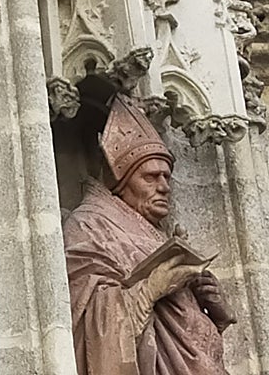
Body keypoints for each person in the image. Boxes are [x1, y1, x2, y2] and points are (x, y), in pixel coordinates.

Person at [62, 97, 234, 375]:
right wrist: (152, 288)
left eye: (166, 177)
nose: (164, 186)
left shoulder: (157, 235)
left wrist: (215, 311)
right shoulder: (89, 226)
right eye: (151, 177)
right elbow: (85, 319)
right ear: (121, 182)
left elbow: (186, 332)